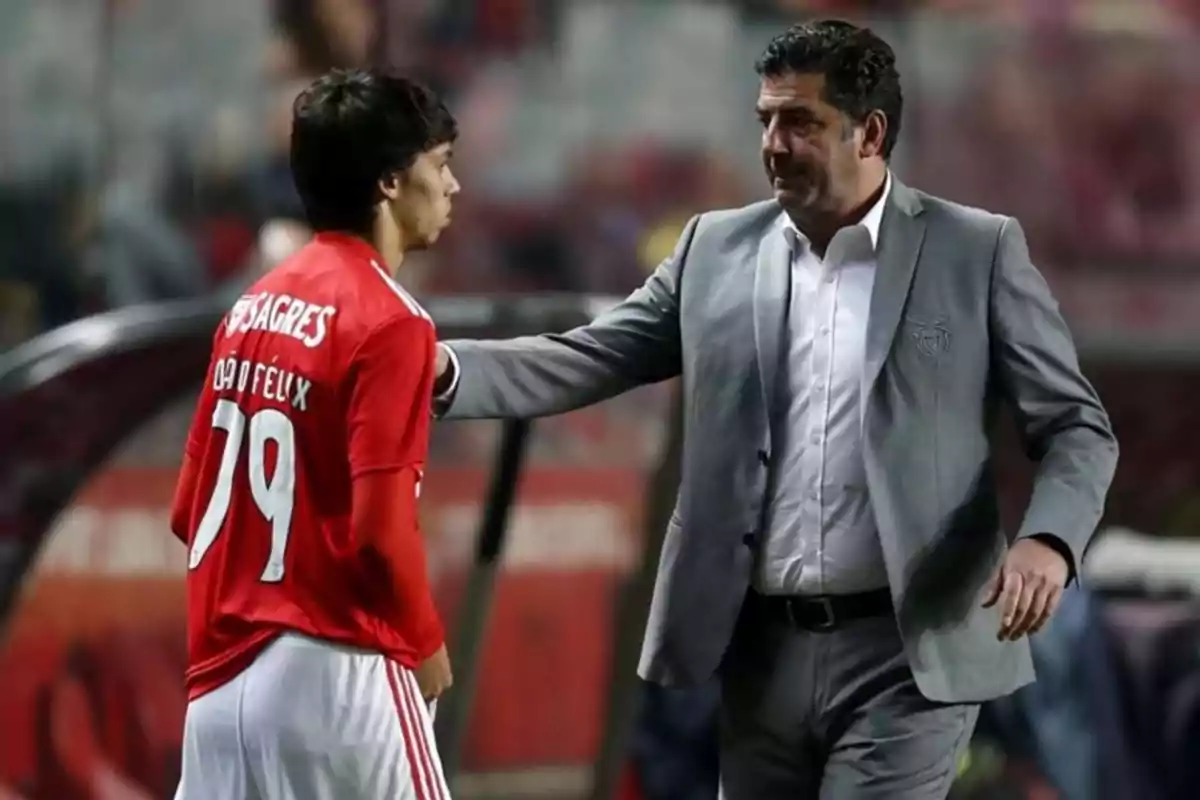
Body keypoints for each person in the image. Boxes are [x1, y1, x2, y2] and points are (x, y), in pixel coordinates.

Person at [432, 20, 1118, 800]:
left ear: (872, 132)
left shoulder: (977, 251)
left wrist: (1050, 544)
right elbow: (590, 356)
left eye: (801, 121)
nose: (774, 143)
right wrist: (444, 370)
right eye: (765, 119)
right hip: (758, 647)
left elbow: (1076, 428)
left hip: (909, 650)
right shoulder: (712, 249)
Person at [171, 68, 460, 800]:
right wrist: (427, 649)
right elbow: (380, 534)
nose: (453, 188)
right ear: (392, 182)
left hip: (219, 688)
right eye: (442, 165)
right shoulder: (393, 322)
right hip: (338, 676)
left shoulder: (251, 305)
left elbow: (187, 509)